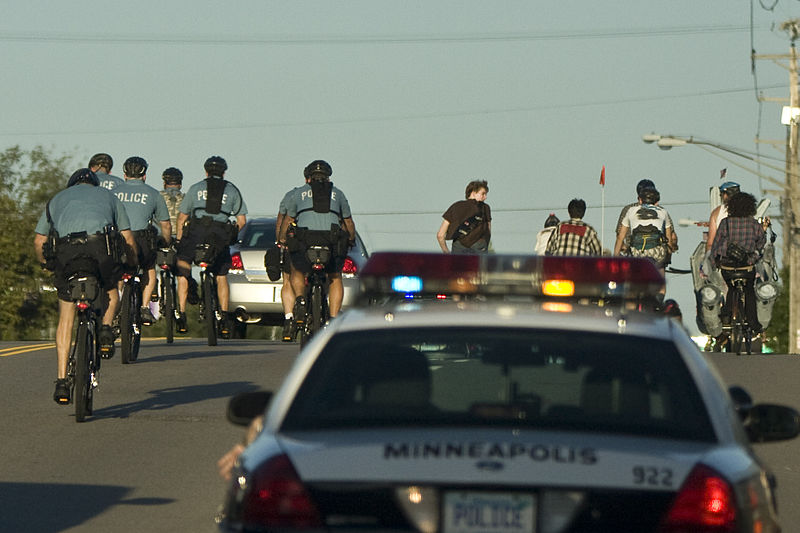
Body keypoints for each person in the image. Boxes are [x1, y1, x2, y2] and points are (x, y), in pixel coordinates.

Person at [33, 168, 137, 404]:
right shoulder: (109, 197)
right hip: (99, 250)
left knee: (66, 314)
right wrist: (131, 263)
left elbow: (39, 241)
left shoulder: (57, 199)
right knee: (111, 290)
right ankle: (107, 328)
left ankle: (61, 381)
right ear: (94, 184)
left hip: (66, 253)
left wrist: (45, 264)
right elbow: (128, 238)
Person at [176, 156, 247, 337]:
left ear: (206, 172)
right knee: (221, 275)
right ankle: (223, 315)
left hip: (197, 232)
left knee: (183, 264)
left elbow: (182, 217)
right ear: (223, 173)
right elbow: (242, 220)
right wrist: (232, 235)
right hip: (220, 235)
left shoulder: (196, 188)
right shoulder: (232, 190)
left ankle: (181, 312)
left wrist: (180, 240)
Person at [278, 159, 356, 321]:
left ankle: (300, 298)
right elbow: (348, 221)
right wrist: (351, 239)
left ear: (309, 177)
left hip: (305, 240)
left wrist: (282, 238)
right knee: (335, 275)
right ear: (328, 177)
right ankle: (333, 318)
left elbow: (288, 219)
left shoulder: (299, 193)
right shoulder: (338, 193)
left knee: (297, 269)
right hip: (331, 240)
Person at [113, 157, 172, 325]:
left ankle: (116, 306)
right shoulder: (153, 194)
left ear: (124, 175)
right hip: (142, 239)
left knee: (117, 271)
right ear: (144, 175)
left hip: (119, 239)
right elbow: (165, 225)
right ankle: (145, 308)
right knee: (149, 268)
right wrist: (166, 242)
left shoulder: (113, 193)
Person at [710, 192, 766, 336]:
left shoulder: (726, 223)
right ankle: (753, 323)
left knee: (731, 289)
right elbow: (761, 242)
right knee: (749, 291)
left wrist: (715, 260)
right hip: (746, 266)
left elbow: (715, 244)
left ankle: (727, 317)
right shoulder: (753, 224)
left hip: (728, 266)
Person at [159, 167, 199, 306]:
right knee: (183, 269)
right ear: (180, 184)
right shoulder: (187, 199)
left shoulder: (158, 196)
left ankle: (154, 291)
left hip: (163, 238)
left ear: (164, 183)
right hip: (182, 239)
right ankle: (183, 308)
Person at [614, 187, 676, 273]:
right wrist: (667, 259)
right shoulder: (663, 212)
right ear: (657, 202)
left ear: (640, 200)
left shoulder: (630, 210)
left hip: (637, 252)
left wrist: (615, 258)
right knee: (660, 278)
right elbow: (669, 239)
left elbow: (620, 237)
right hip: (657, 253)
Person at [437, 180, 491, 254]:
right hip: (479, 245)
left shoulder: (455, 207)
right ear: (474, 193)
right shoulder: (485, 208)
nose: (485, 197)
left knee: (459, 266)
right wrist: (485, 246)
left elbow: (440, 235)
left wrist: (446, 252)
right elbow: (488, 231)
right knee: (479, 266)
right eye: (483, 194)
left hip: (458, 246)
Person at [706, 181, 741, 253]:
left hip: (722, 255)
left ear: (725, 195)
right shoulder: (747, 210)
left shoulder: (717, 212)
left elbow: (710, 242)